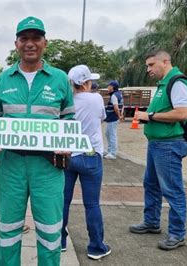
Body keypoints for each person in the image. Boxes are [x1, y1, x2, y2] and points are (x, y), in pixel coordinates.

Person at [0, 16, 75, 265]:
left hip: (48, 168)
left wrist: (68, 143)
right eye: (24, 38)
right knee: (7, 230)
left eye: (36, 38)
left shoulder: (60, 79)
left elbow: (69, 120)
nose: (30, 43)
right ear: (16, 43)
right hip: (10, 166)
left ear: (45, 42)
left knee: (49, 233)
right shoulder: (3, 79)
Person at [131, 49, 187, 251]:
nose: (148, 69)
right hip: (158, 143)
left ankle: (177, 234)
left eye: (151, 65)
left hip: (169, 144)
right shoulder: (163, 84)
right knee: (151, 184)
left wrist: (150, 116)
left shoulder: (177, 82)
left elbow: (182, 113)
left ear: (165, 61)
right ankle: (151, 222)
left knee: (172, 190)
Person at [62, 65, 111, 260]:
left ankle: (59, 242)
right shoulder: (96, 98)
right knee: (92, 204)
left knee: (63, 202)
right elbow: (101, 118)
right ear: (86, 83)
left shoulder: (65, 101)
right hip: (91, 155)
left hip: (68, 156)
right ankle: (96, 247)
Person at [104, 80, 124, 159]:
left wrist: (119, 116)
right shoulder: (119, 94)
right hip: (113, 118)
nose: (108, 87)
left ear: (112, 87)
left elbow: (116, 107)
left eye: (109, 86)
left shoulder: (114, 95)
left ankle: (113, 153)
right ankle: (109, 151)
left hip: (113, 117)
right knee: (108, 134)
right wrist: (121, 115)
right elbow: (122, 105)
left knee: (112, 135)